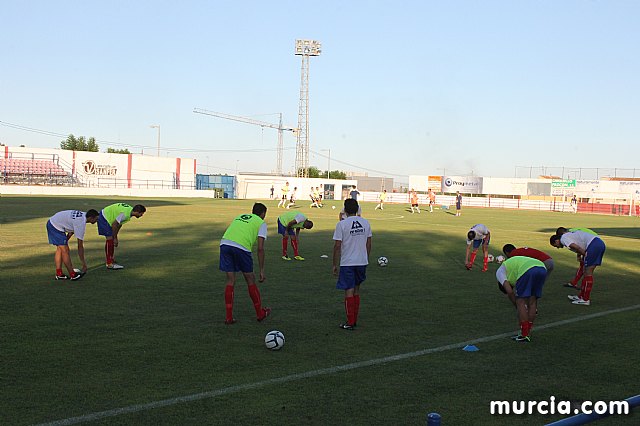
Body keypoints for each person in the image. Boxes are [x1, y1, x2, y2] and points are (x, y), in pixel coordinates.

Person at [219, 202, 271, 324]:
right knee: (250, 280)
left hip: (225, 244)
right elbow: (260, 248)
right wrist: (262, 270)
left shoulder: (240, 216)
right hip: (241, 248)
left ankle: (229, 317)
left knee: (230, 281)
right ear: (263, 214)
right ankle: (260, 314)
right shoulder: (261, 223)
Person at [332, 199, 372, 330]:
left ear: (345, 209)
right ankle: (354, 319)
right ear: (357, 209)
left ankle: (350, 322)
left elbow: (337, 246)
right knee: (356, 289)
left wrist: (334, 264)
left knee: (348, 290)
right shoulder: (366, 223)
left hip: (348, 262)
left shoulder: (342, 224)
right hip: (361, 261)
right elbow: (368, 243)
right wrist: (366, 258)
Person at [496, 256, 547, 342]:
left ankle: (524, 334)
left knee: (520, 301)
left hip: (527, 269)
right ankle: (527, 331)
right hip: (542, 268)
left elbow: (509, 291)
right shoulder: (511, 269)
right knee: (533, 300)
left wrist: (516, 305)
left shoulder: (499, 273)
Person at [550, 230, 606, 306]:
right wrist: (580, 256)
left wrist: (585, 254)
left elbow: (576, 247)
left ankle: (585, 299)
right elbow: (578, 244)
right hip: (597, 243)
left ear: (556, 240)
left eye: (555, 245)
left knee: (588, 273)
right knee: (585, 271)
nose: (557, 247)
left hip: (594, 245)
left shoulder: (563, 239)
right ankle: (581, 296)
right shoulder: (566, 236)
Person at [47, 209, 100, 280]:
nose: (97, 221)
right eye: (96, 219)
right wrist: (84, 264)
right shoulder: (80, 223)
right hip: (55, 226)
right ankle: (73, 275)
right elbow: (80, 246)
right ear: (91, 218)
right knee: (65, 250)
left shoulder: (84, 215)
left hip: (53, 222)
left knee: (60, 249)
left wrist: (65, 240)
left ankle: (59, 274)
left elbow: (71, 230)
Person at [97, 203, 146, 269]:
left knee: (110, 239)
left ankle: (110, 259)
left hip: (106, 216)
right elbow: (115, 224)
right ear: (137, 212)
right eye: (141, 213)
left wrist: (115, 236)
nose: (141, 215)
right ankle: (109, 263)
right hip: (104, 218)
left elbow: (119, 224)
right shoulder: (125, 214)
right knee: (110, 239)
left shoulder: (129, 212)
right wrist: (115, 238)